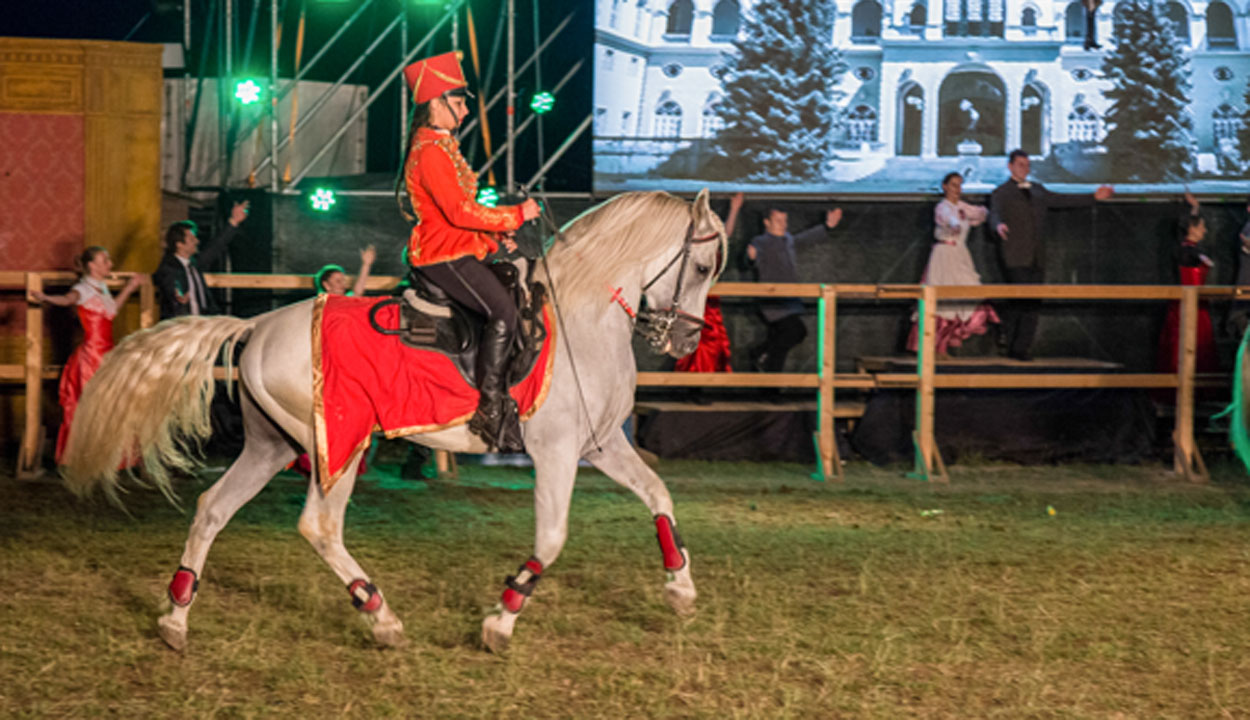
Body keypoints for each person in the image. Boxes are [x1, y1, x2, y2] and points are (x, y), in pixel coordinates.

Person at [400, 51, 541, 453]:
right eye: (458, 102)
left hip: (456, 248)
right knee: (504, 312)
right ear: (435, 103)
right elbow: (459, 211)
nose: (464, 110)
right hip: (441, 256)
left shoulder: (442, 146)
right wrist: (515, 214)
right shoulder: (429, 151)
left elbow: (462, 218)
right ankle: (491, 408)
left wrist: (496, 239)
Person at [988, 150, 1114, 361]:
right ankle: (1009, 343)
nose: (1025, 169)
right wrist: (998, 225)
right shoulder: (1001, 192)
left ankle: (1021, 349)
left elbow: (1063, 199)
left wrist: (1093, 197)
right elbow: (994, 213)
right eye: (1020, 165)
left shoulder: (1038, 190)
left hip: (1037, 255)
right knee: (1019, 300)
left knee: (1034, 302)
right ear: (1010, 167)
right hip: (1015, 254)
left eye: (1027, 165)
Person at [28, 247, 145, 463]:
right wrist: (45, 297)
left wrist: (129, 287)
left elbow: (111, 312)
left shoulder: (101, 287)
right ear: (92, 265)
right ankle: (84, 457)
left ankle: (108, 457)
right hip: (92, 356)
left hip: (108, 353)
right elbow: (67, 299)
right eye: (104, 260)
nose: (109, 264)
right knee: (92, 407)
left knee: (112, 404)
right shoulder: (83, 289)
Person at [907, 172, 1000, 359]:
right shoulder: (942, 207)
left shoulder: (961, 206)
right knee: (942, 300)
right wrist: (955, 223)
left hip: (960, 255)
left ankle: (945, 343)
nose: (957, 189)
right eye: (953, 185)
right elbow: (948, 219)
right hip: (944, 255)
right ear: (945, 187)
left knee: (968, 292)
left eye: (960, 185)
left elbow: (980, 214)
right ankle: (935, 348)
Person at [745, 201, 842, 373]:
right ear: (767, 222)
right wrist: (751, 257)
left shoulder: (788, 239)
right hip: (774, 303)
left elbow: (804, 238)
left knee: (779, 344)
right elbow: (751, 258)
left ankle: (770, 384)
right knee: (795, 332)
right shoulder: (761, 241)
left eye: (785, 221)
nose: (783, 225)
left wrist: (827, 226)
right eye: (778, 221)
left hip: (789, 301)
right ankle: (759, 353)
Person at [674, 192, 743, 374]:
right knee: (698, 336)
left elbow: (725, 236)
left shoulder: (712, 244)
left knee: (712, 338)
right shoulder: (693, 241)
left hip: (709, 296)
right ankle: (693, 383)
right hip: (696, 294)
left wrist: (734, 209)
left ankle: (701, 382)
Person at [153, 200, 250, 319]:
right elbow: (168, 281)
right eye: (192, 239)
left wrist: (234, 221)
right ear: (179, 244)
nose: (197, 241)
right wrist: (177, 294)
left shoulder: (195, 264)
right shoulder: (168, 266)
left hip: (204, 322)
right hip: (181, 324)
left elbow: (216, 246)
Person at [1158, 192, 1217, 375]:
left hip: (1196, 306)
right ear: (1192, 229)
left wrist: (1195, 208)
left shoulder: (1189, 250)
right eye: (1201, 227)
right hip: (1188, 307)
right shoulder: (1187, 252)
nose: (1204, 231)